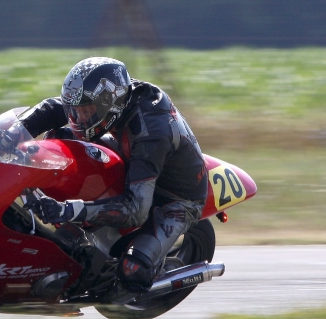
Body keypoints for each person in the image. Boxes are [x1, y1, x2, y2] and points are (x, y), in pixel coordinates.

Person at [20, 56, 208, 298]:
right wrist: (12, 132)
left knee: (132, 271)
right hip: (133, 160)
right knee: (58, 138)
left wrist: (67, 209)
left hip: (174, 198)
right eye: (76, 111)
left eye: (86, 112)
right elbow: (54, 108)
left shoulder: (151, 133)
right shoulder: (117, 96)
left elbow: (136, 210)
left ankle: (147, 276)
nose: (79, 119)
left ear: (110, 106)